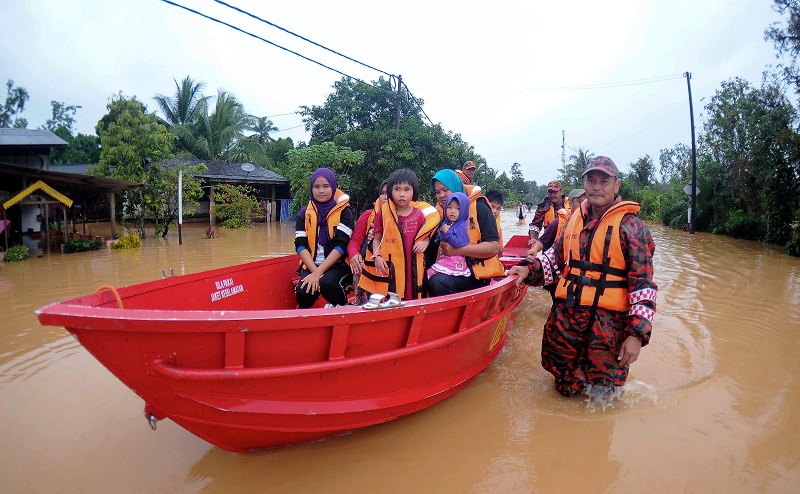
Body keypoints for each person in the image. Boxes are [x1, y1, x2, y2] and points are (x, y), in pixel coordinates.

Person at [508, 156, 657, 402]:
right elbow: (555, 260)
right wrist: (527, 269)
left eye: (604, 181)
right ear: (584, 184)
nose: (597, 186)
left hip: (608, 329)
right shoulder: (573, 221)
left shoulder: (633, 228)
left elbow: (644, 286)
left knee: (603, 399)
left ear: (616, 186)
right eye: (591, 180)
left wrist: (636, 336)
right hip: (568, 322)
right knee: (564, 388)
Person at [359, 169, 439, 300]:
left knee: (413, 297)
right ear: (390, 191)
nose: (402, 194)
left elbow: (426, 236)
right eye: (397, 189)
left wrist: (426, 242)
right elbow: (377, 238)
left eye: (407, 189)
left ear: (414, 191)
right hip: (392, 271)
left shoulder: (419, 215)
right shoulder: (383, 214)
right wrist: (377, 257)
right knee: (391, 299)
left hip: (413, 270)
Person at [426, 169, 504, 296]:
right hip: (447, 267)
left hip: (475, 274)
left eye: (445, 190)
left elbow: (494, 247)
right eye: (437, 192)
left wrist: (458, 250)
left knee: (437, 282)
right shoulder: (440, 213)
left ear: (455, 186)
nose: (441, 195)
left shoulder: (480, 208)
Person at [294, 167, 355, 308]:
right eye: (317, 187)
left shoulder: (345, 212)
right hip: (313, 264)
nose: (321, 191)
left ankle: (342, 306)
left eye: (326, 186)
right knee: (302, 292)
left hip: (339, 265)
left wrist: (319, 274)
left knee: (328, 284)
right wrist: (315, 272)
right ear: (311, 188)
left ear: (333, 187)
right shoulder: (304, 213)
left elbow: (341, 246)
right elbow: (300, 245)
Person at [528, 187, 586, 302]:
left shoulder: (593, 224)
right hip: (558, 271)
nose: (583, 206)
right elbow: (543, 241)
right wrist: (534, 249)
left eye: (586, 202)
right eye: (579, 202)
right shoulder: (558, 223)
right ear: (570, 204)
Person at [347, 180, 388, 305]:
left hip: (390, 265)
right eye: (383, 193)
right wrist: (354, 254)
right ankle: (362, 306)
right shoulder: (368, 215)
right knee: (360, 265)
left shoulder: (406, 217)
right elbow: (354, 242)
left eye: (389, 193)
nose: (386, 197)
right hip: (368, 263)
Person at [427, 192, 471, 278]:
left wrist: (447, 232)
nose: (452, 211)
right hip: (445, 257)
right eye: (449, 207)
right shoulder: (448, 223)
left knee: (430, 274)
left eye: (458, 209)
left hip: (454, 261)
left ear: (464, 211)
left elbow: (458, 243)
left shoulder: (462, 226)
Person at [528, 179, 570, 245]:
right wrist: (533, 238)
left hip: (567, 241)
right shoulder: (544, 205)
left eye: (555, 192)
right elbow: (536, 224)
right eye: (550, 192)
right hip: (549, 242)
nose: (552, 195)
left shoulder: (571, 203)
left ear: (561, 192)